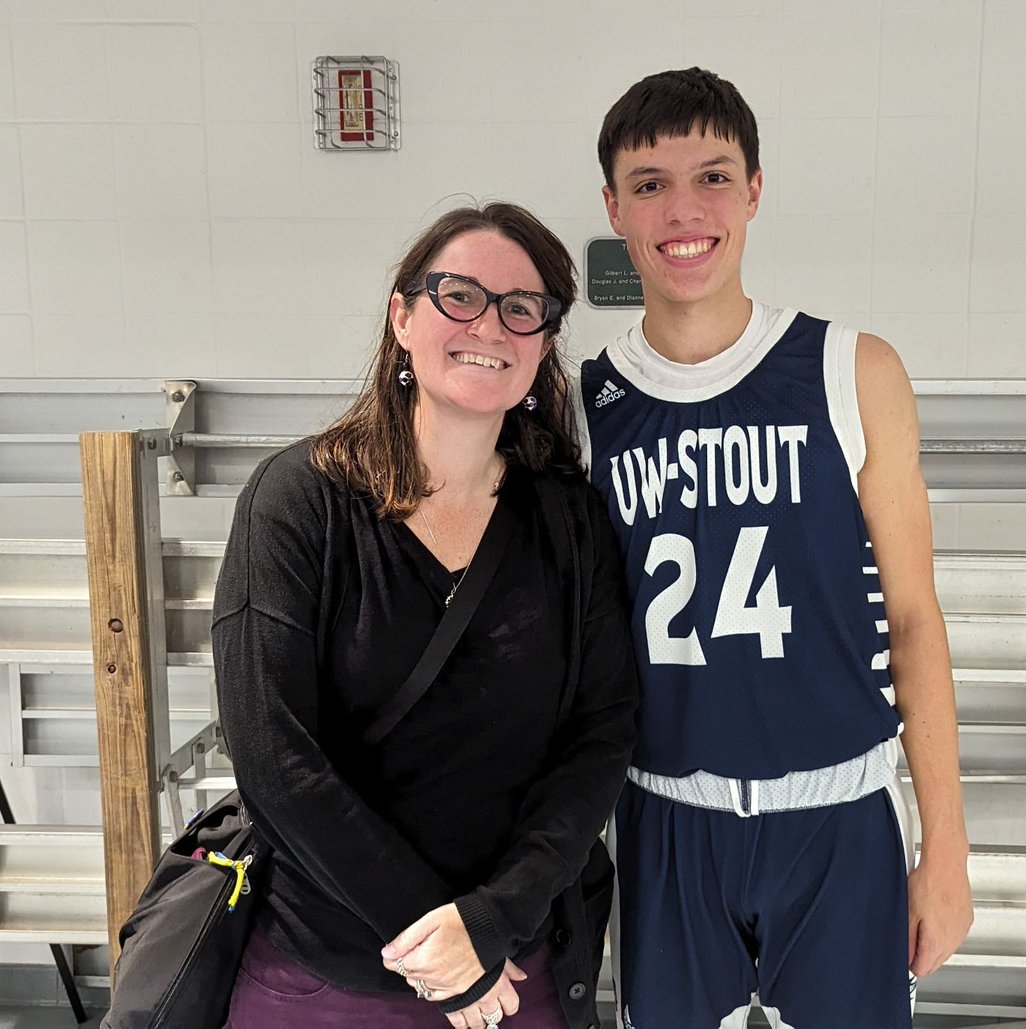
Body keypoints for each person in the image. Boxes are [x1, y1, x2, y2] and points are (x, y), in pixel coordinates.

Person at [578, 68, 974, 1028]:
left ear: (755, 189)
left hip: (839, 819)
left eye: (713, 177)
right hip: (666, 818)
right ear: (615, 209)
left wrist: (948, 851)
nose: (684, 210)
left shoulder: (852, 370)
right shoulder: (583, 403)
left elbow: (916, 619)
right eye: (650, 184)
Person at [212, 201, 638, 1029]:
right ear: (403, 316)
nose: (491, 323)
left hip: (515, 969)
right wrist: (438, 946)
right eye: (459, 294)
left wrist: (489, 923)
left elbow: (602, 731)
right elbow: (274, 755)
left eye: (523, 308)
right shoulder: (298, 502)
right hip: (326, 978)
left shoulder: (569, 521)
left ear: (544, 344)